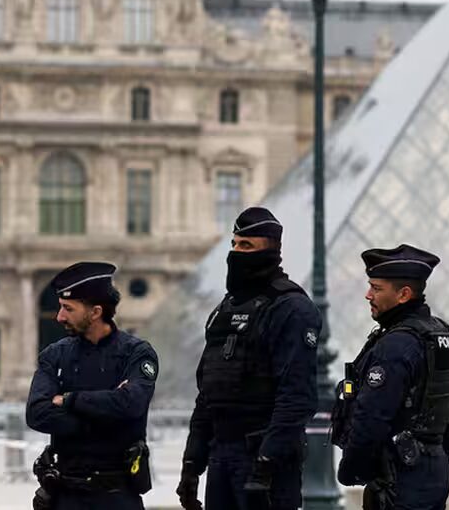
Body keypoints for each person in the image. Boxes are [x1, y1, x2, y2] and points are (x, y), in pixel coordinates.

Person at [177, 207, 322, 510]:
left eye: (246, 246)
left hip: (264, 459)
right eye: (234, 244)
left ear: (270, 251)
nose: (235, 253)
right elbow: (209, 393)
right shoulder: (224, 309)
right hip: (221, 456)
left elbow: (297, 397)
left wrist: (266, 463)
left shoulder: (291, 308)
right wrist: (192, 463)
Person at [331, 244, 449, 510]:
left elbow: (371, 418)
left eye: (377, 288)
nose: (368, 295)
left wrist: (351, 470)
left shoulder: (396, 345)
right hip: (433, 472)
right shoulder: (442, 335)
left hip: (397, 480)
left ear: (404, 294)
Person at [26, 262, 159, 510]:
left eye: (68, 308)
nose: (59, 317)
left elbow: (131, 404)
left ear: (95, 312)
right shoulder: (55, 356)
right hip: (66, 495)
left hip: (117, 495)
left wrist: (69, 401)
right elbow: (37, 414)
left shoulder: (136, 354)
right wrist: (107, 415)